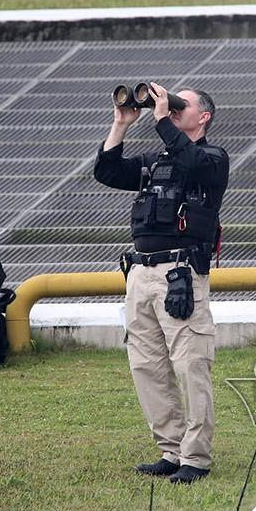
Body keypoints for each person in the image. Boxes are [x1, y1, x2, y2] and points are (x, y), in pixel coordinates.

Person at [93, 81, 229, 485]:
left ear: (202, 117)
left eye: (179, 104)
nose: (170, 108)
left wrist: (160, 119)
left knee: (190, 365)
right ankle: (171, 451)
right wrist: (121, 123)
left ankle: (196, 457)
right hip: (139, 273)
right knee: (147, 366)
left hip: (180, 275)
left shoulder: (211, 158)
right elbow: (107, 171)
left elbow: (191, 164)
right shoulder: (157, 161)